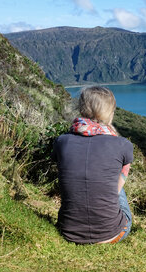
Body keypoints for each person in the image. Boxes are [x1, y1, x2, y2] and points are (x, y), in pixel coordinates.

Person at [52, 86, 133, 244]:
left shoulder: (62, 142)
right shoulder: (123, 145)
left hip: (68, 231)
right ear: (111, 113)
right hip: (113, 233)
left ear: (81, 109)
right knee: (114, 179)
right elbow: (116, 188)